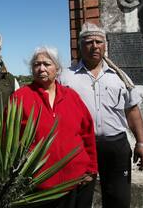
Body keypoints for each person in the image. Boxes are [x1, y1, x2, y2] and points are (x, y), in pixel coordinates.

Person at [60, 22, 143, 208]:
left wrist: (141, 143)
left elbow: (132, 110)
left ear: (105, 45)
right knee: (78, 201)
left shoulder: (120, 77)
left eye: (99, 41)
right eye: (89, 41)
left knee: (118, 199)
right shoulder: (65, 77)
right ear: (80, 45)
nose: (94, 46)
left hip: (116, 146)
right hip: (80, 147)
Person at [10, 46, 97, 208]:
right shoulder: (20, 97)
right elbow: (7, 138)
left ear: (57, 68)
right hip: (38, 186)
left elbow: (87, 133)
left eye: (46, 64)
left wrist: (91, 168)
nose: (41, 68)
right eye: (36, 64)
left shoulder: (71, 96)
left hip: (77, 180)